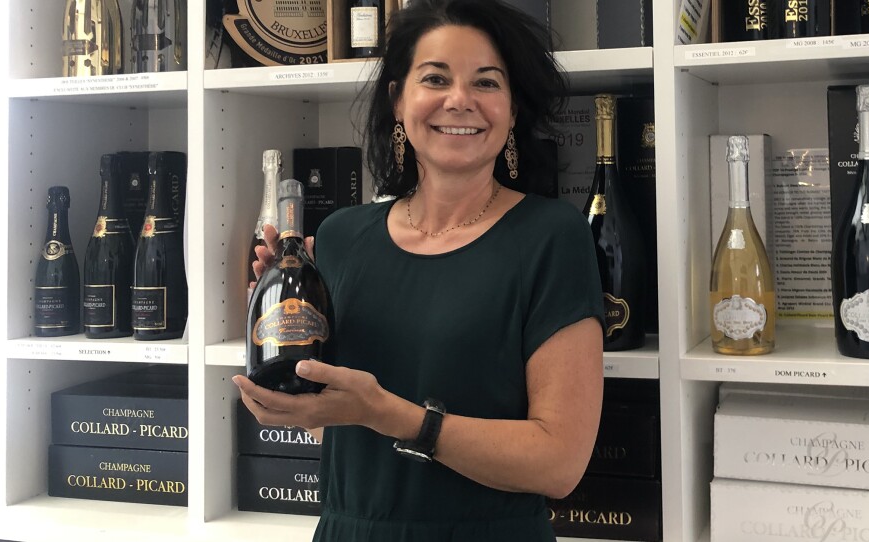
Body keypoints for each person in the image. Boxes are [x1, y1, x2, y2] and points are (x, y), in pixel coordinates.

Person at [233, 1, 605, 540]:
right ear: (398, 100)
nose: (460, 100)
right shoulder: (339, 237)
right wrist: (282, 345)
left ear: (514, 109)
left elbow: (559, 463)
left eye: (487, 83)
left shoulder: (552, 237)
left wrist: (394, 416)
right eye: (435, 78)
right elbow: (328, 428)